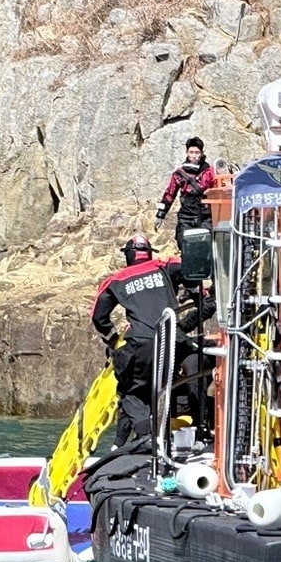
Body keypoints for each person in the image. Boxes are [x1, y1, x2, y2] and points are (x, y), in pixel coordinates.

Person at [91, 234, 214, 448]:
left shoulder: (116, 280)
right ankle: (201, 428)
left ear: (128, 256)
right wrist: (195, 298)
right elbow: (196, 280)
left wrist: (114, 341)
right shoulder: (166, 265)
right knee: (193, 369)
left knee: (132, 392)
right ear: (149, 253)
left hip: (142, 343)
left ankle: (142, 435)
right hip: (174, 339)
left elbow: (98, 317)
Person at [155, 136, 218, 250]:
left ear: (202, 153)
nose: (194, 155)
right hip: (186, 217)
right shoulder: (179, 173)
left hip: (206, 217)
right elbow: (169, 194)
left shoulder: (210, 172)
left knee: (206, 248)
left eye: (197, 152)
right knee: (185, 246)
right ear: (187, 153)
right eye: (191, 152)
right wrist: (160, 214)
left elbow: (218, 191)